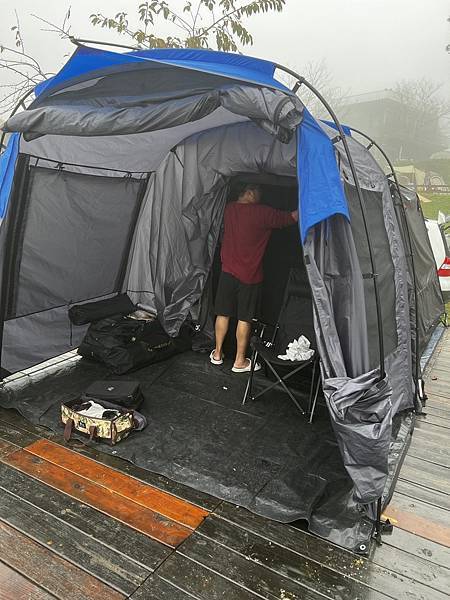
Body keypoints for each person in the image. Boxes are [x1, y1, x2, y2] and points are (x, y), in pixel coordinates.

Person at [211, 183, 298, 372]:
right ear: (249, 192)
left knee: (223, 313)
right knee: (245, 318)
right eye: (259, 192)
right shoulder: (262, 212)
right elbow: (290, 218)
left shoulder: (228, 209)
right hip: (250, 277)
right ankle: (239, 361)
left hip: (227, 272)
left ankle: (217, 353)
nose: (261, 196)